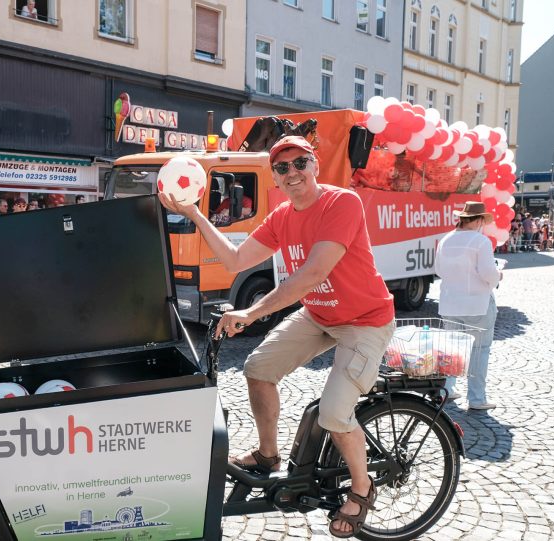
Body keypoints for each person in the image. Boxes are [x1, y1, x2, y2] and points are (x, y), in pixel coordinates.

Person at [159, 135, 394, 538]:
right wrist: (196, 214)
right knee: (258, 367)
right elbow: (234, 260)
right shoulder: (283, 217)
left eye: (299, 163)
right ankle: (268, 456)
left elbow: (313, 274)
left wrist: (251, 312)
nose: (292, 173)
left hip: (365, 320)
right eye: (282, 168)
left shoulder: (342, 203)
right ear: (276, 179)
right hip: (321, 314)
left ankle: (362, 487)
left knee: (335, 414)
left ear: (314, 164)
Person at [435, 201, 502, 411]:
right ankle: (476, 398)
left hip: (450, 302)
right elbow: (488, 273)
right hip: (477, 302)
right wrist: (499, 275)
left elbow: (438, 270)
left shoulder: (445, 239)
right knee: (480, 350)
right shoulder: (480, 241)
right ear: (480, 220)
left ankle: (448, 388)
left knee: (452, 349)